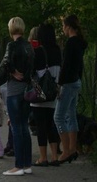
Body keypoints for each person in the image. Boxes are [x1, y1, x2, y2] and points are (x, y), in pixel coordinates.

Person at [0, 17, 34, 176]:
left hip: (14, 91)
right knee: (24, 127)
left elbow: (5, 63)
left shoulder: (11, 45)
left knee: (16, 128)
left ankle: (18, 166)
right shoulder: (29, 46)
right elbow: (32, 68)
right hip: (26, 91)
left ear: (10, 29)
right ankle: (27, 164)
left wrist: (1, 78)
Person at [54, 14, 87, 164]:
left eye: (63, 26)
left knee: (59, 117)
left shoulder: (71, 43)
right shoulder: (80, 43)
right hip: (76, 81)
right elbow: (79, 66)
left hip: (67, 83)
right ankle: (73, 148)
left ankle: (66, 150)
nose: (63, 29)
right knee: (71, 114)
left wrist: (59, 84)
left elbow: (65, 66)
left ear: (67, 27)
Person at [30, 23, 62, 167]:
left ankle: (43, 158)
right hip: (53, 92)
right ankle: (55, 156)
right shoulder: (57, 50)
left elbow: (33, 72)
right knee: (51, 125)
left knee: (41, 126)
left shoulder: (38, 51)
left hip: (40, 93)